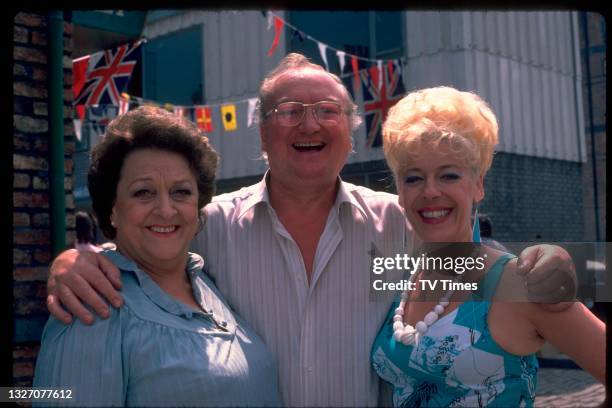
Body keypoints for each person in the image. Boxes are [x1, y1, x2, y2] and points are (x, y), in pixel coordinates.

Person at [46, 54, 577, 407]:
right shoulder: (207, 229)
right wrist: (74, 260)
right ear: (262, 131)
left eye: (327, 111)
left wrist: (559, 259)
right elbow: (145, 247)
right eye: (290, 111)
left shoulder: (401, 225)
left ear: (348, 133)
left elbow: (479, 270)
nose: (308, 124)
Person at [372, 86, 605, 406]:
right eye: (413, 178)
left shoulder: (522, 282)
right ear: (399, 192)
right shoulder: (404, 277)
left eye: (449, 176)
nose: (430, 192)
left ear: (478, 185)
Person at [34, 107, 280, 407]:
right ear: (112, 208)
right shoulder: (92, 303)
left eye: (181, 192)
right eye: (143, 193)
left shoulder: (206, 281)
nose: (166, 210)